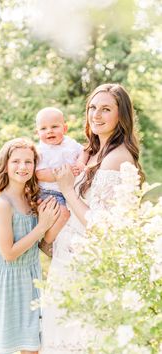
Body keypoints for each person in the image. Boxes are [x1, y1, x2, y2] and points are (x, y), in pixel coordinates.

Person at [40, 84, 145, 353]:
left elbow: (102, 226)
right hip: (67, 260)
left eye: (106, 109)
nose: (96, 115)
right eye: (92, 108)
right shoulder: (90, 151)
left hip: (88, 268)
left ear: (121, 116)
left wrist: (66, 188)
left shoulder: (118, 159)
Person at [0, 138, 60, 354]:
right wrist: (42, 226)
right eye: (16, 161)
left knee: (33, 347)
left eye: (29, 162)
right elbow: (9, 253)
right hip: (9, 282)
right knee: (7, 346)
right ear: (5, 164)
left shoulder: (30, 197)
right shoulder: (3, 204)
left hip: (31, 277)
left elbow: (37, 243)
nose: (23, 167)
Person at [35, 107, 88, 256]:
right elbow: (39, 174)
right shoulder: (40, 151)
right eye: (43, 128)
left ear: (64, 128)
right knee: (64, 214)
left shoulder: (70, 143)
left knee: (76, 216)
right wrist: (63, 173)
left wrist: (79, 163)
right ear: (37, 133)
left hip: (67, 190)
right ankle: (46, 243)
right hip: (49, 192)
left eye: (54, 127)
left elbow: (84, 151)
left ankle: (66, 244)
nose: (49, 131)